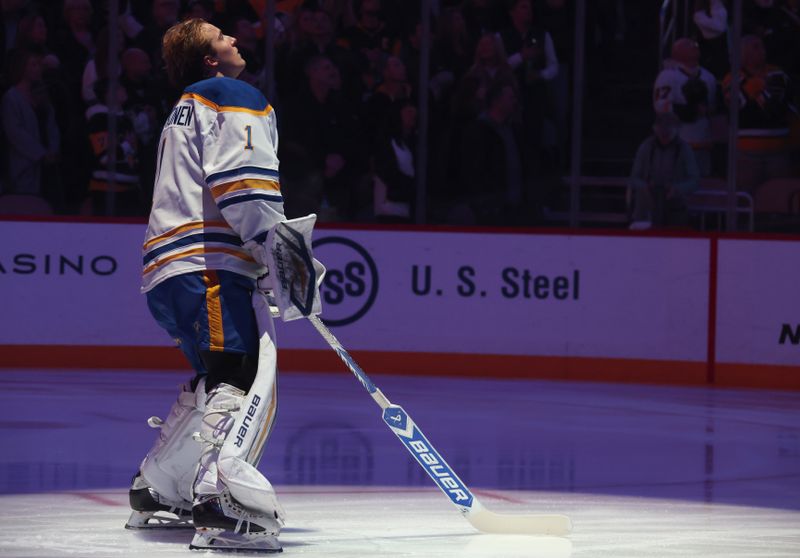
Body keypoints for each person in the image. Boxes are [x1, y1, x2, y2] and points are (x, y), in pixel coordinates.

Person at [127, 18, 300, 552]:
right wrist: (280, 257)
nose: (234, 40)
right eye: (222, 37)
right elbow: (243, 185)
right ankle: (223, 502)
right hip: (210, 265)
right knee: (241, 377)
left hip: (169, 270)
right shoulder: (231, 93)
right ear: (208, 59)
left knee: (215, 376)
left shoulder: (183, 108)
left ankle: (159, 488)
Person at [653, 38, 717, 176]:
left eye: (695, 45)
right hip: (678, 143)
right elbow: (661, 106)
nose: (695, 47)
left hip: (703, 142)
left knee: (703, 185)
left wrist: (709, 111)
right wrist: (691, 111)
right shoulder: (667, 76)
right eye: (690, 46)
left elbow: (713, 108)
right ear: (676, 52)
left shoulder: (709, 77)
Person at [628, 112, 700, 229]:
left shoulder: (685, 149)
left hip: (675, 208)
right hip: (647, 208)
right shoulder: (646, 147)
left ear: (676, 130)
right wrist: (644, 187)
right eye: (661, 134)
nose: (664, 138)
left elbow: (695, 181)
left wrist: (677, 188)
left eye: (667, 134)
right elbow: (634, 178)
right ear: (655, 130)